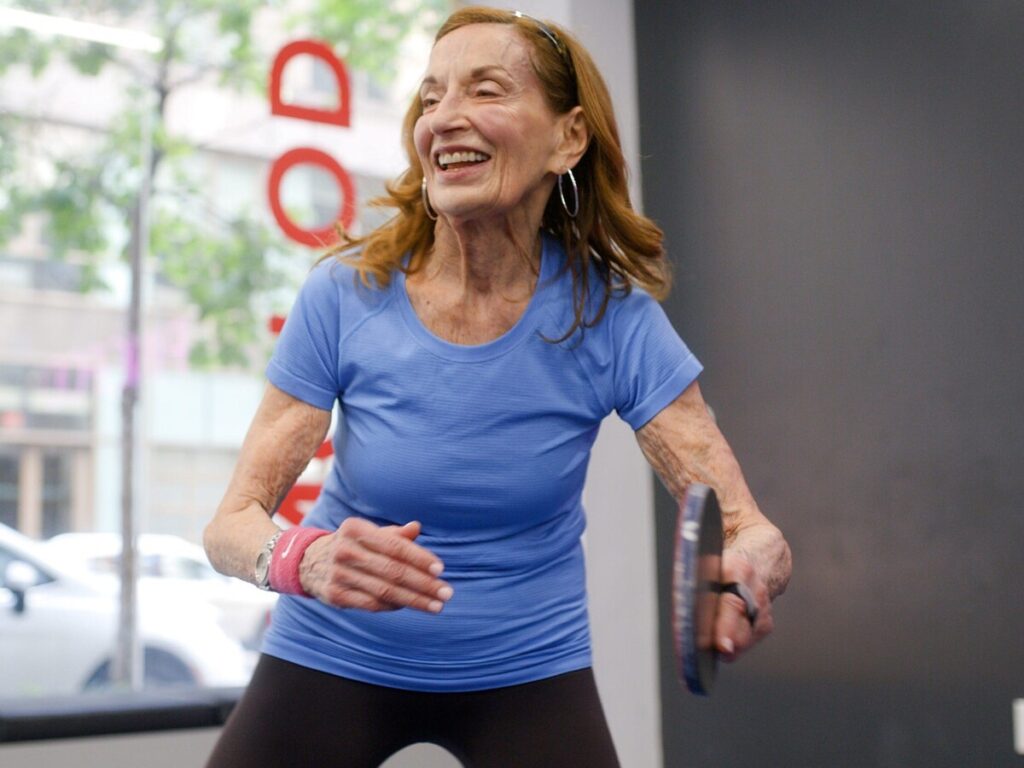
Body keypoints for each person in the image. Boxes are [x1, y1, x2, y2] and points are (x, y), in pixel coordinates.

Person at [203, 6, 791, 767]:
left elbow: (750, 528)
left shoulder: (610, 318)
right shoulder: (346, 296)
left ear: (568, 138)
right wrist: (303, 559)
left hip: (527, 668)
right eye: (431, 97)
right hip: (333, 653)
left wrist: (747, 574)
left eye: (485, 91)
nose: (445, 119)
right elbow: (230, 525)